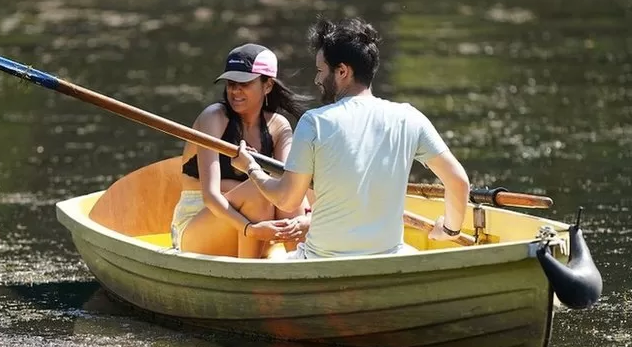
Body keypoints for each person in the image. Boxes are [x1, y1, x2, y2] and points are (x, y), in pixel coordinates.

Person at [230, 17, 471, 259]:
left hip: (322, 259)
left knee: (272, 257)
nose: (316, 79)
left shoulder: (315, 122)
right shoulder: (409, 117)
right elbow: (458, 182)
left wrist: (251, 168)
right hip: (388, 257)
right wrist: (450, 229)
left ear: (342, 71)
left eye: (320, 70)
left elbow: (287, 199)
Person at [171, 43, 313, 258]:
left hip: (259, 224)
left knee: (287, 196)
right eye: (230, 83)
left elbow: (289, 189)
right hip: (199, 224)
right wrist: (249, 228)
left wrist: (306, 219)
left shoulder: (279, 126)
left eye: (244, 83)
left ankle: (302, 264)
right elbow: (211, 196)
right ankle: (250, 278)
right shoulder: (214, 117)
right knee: (259, 190)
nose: (235, 91)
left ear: (267, 85)